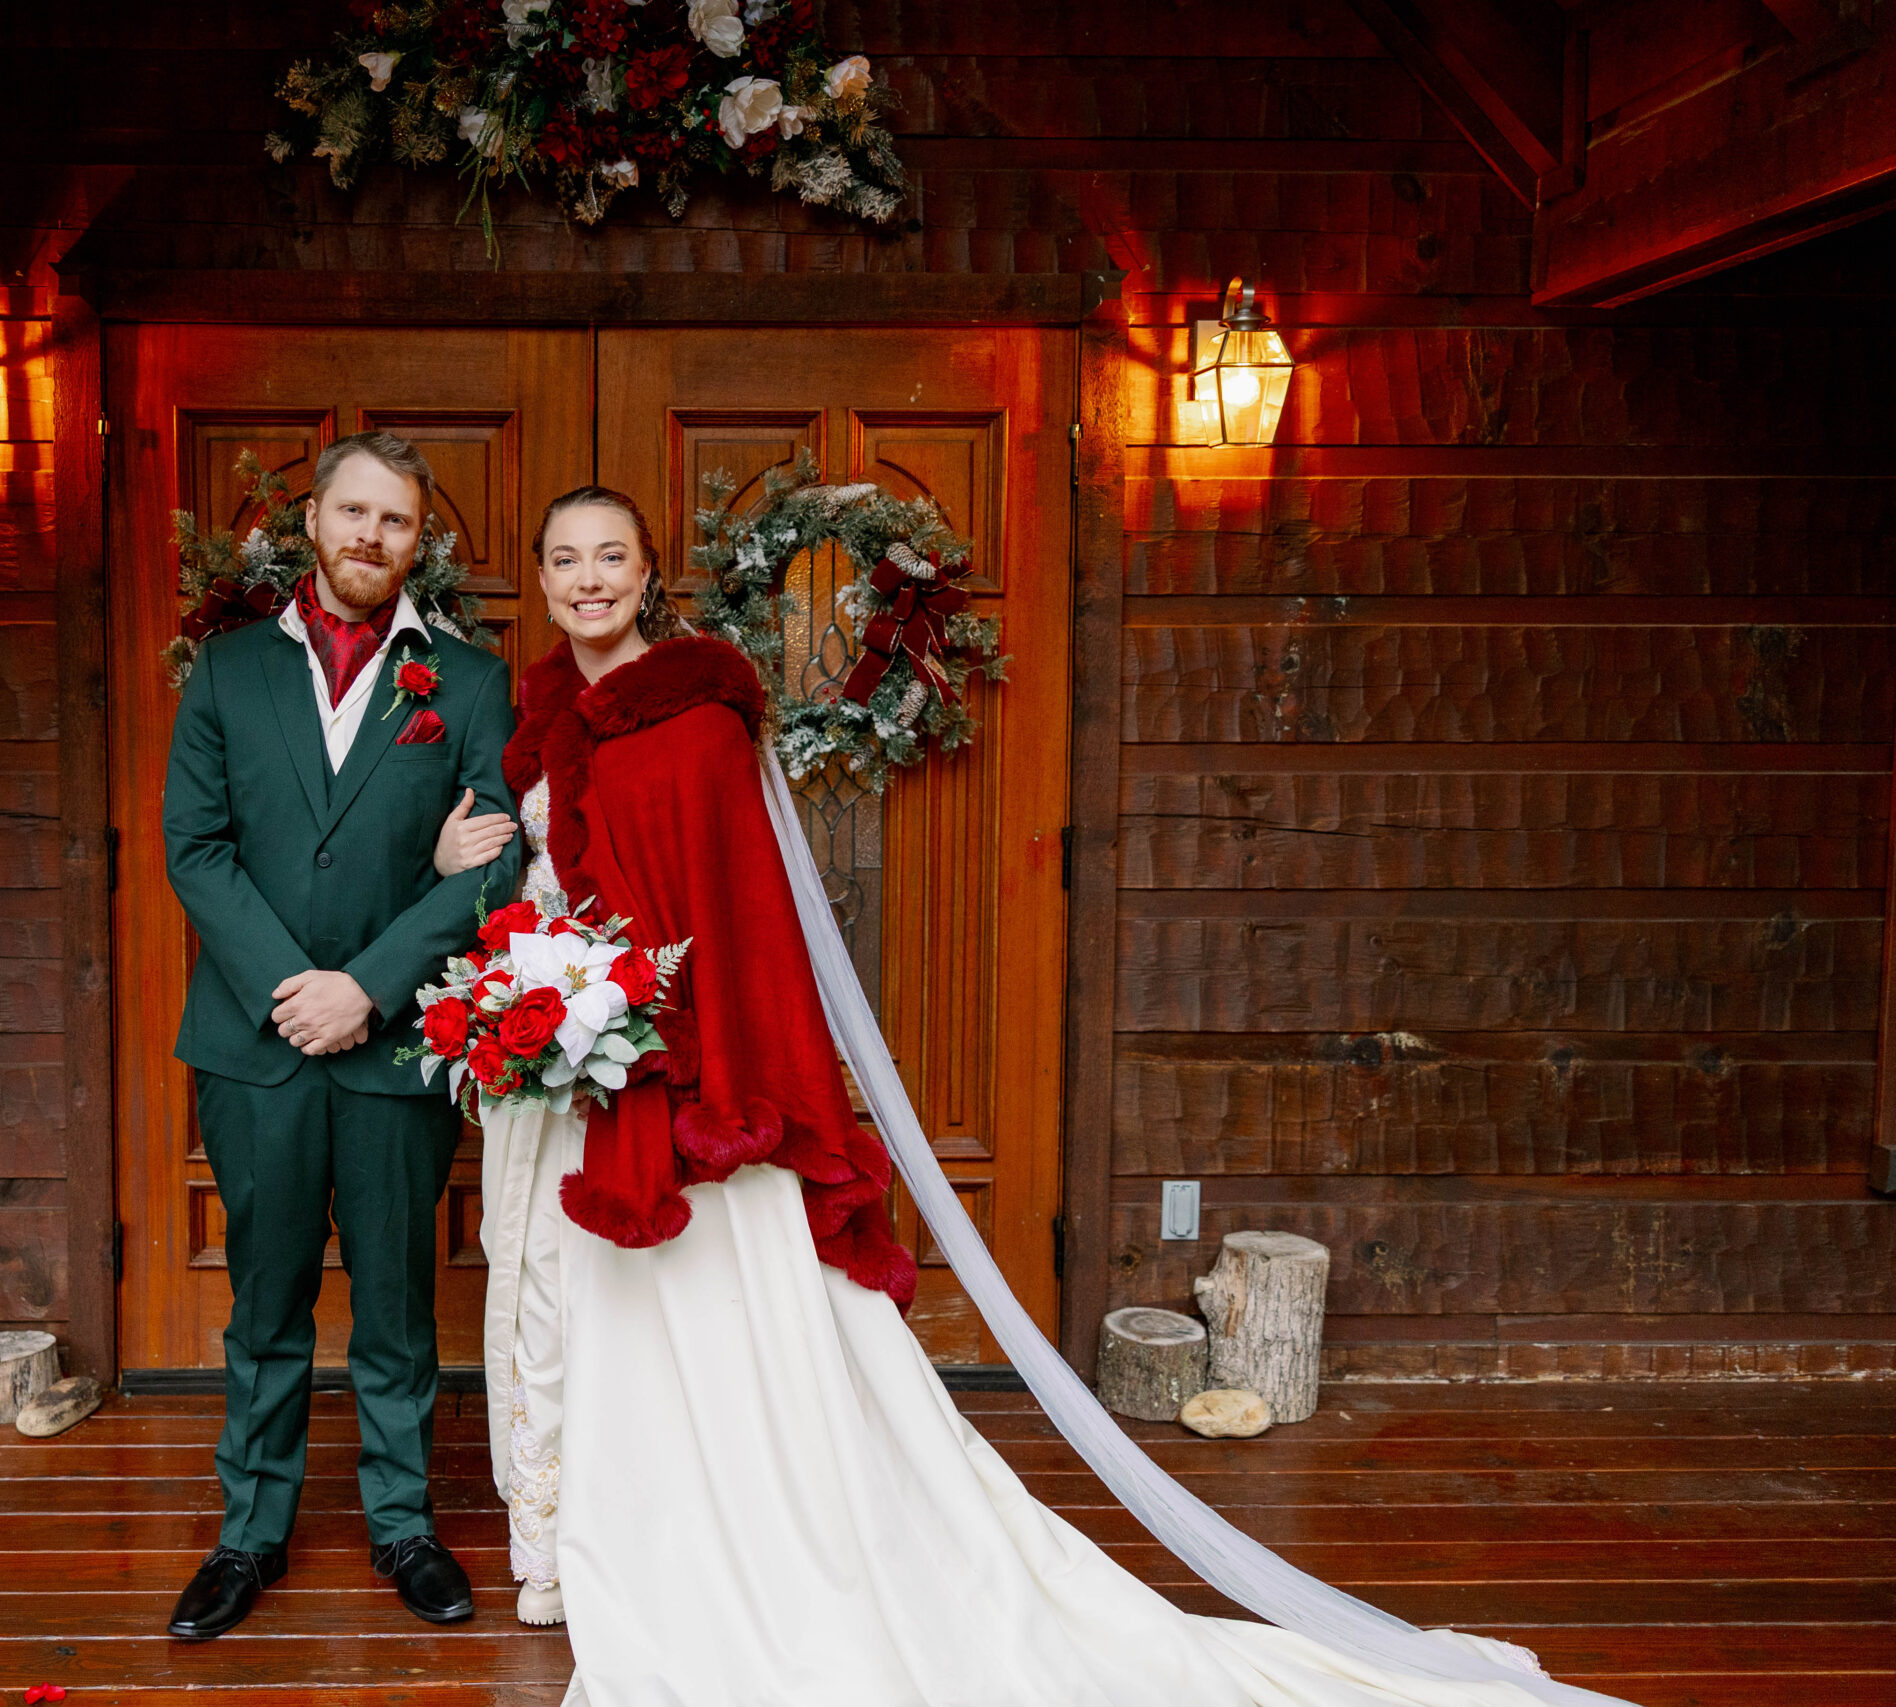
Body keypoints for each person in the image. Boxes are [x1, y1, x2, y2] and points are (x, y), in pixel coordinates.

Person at [442, 484, 1632, 1706]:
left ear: (649, 575)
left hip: (691, 1087)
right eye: (565, 560)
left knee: (704, 1327)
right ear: (542, 578)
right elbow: (552, 882)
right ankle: (597, 1543)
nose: (589, 580)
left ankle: (727, 1548)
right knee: (587, 1313)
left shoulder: (696, 721)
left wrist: (666, 1041)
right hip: (580, 1077)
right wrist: (525, 966)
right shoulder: (543, 721)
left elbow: (738, 929)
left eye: (612, 557)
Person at [160, 430, 520, 1641]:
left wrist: (365, 986)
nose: (371, 535)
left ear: (419, 542)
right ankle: (249, 1534)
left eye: (396, 520)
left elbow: (495, 863)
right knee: (264, 1302)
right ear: (312, 521)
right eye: (353, 512)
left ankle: (402, 1525)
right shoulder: (226, 672)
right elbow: (196, 849)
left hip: (396, 1044)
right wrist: (292, 987)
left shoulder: (467, 684)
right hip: (253, 1045)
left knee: (396, 1305)